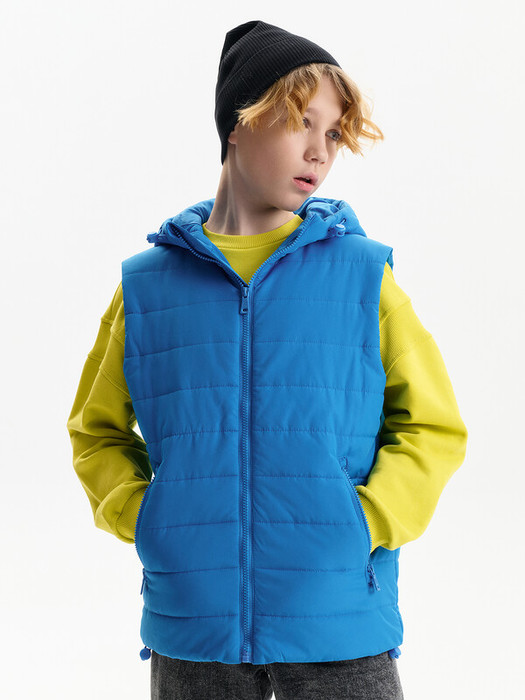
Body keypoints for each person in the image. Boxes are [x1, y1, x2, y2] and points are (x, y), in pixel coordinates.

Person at [67, 19, 468, 700]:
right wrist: (151, 521)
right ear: (238, 122)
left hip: (338, 618)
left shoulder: (363, 277)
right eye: (300, 122)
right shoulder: (148, 288)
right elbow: (95, 430)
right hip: (194, 628)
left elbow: (433, 427)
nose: (319, 151)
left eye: (333, 134)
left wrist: (364, 523)